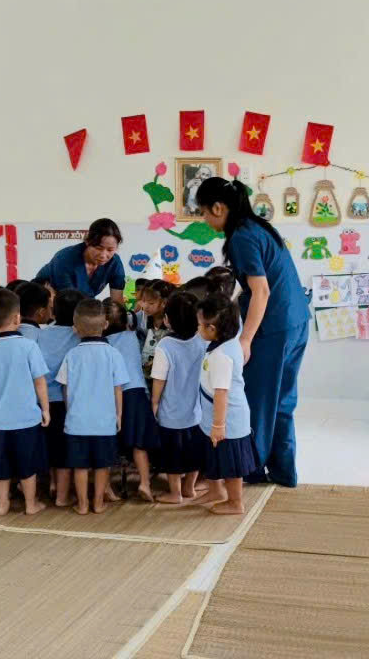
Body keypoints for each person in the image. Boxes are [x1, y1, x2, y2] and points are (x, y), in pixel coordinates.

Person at [196, 177, 309, 487]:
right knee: (282, 401)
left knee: (258, 401)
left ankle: (251, 469)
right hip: (295, 321)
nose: (204, 219)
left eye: (203, 212)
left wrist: (245, 340)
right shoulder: (258, 228)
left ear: (218, 208)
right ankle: (284, 472)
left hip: (274, 328)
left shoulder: (242, 237)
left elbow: (261, 291)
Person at [0, 289, 50, 516]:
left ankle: (2, 503)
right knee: (28, 464)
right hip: (27, 419)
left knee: (1, 465)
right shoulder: (28, 346)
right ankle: (30, 504)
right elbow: (40, 382)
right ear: (18, 318)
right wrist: (45, 409)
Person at [57, 299, 129, 515]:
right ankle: (98, 503)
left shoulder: (71, 355)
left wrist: (70, 411)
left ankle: (82, 504)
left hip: (77, 422)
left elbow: (65, 389)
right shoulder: (113, 354)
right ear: (105, 325)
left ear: (75, 328)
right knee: (102, 465)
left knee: (79, 466)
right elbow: (118, 388)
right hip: (105, 422)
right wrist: (119, 415)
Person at [190, 294, 259, 515]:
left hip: (227, 420)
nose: (197, 328)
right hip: (213, 416)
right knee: (214, 457)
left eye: (199, 324)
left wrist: (219, 425)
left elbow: (221, 393)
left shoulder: (222, 355)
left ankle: (235, 502)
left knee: (231, 464)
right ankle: (216, 492)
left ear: (212, 329)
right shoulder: (226, 342)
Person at [150, 291, 206, 503]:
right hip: (197, 411)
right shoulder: (202, 341)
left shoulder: (165, 345)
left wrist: (154, 403)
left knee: (172, 455)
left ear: (167, 319)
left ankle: (175, 493)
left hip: (171, 413)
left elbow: (159, 379)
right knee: (194, 452)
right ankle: (189, 487)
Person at [104, 299, 159, 502]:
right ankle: (144, 483)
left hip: (111, 395)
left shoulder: (103, 343)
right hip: (136, 392)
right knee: (139, 444)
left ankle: (106, 486)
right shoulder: (132, 335)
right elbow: (135, 320)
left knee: (109, 444)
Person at [37, 289, 85, 506]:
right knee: (64, 451)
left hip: (43, 400)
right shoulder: (80, 337)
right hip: (69, 402)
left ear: (53, 311)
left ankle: (53, 484)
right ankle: (62, 497)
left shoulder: (42, 333)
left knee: (51, 446)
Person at [35, 219, 126, 301]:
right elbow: (68, 302)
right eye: (98, 248)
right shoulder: (64, 259)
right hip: (46, 300)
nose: (103, 255)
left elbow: (117, 301)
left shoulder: (115, 263)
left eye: (110, 250)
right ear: (87, 241)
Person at [138, 280, 174, 381]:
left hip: (164, 376)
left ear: (164, 303)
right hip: (145, 374)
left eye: (151, 303)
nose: (145, 306)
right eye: (143, 301)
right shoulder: (141, 318)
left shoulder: (172, 322)